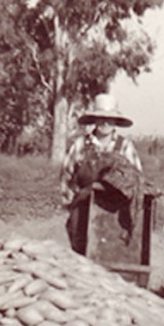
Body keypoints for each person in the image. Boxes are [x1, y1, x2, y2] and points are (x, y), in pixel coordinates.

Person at [61, 94, 144, 251]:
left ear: (116, 122)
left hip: (117, 217)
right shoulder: (80, 145)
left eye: (110, 119)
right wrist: (72, 206)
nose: (105, 123)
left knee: (114, 256)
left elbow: (138, 179)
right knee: (82, 260)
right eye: (100, 118)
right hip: (83, 213)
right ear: (94, 120)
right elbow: (66, 177)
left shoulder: (125, 146)